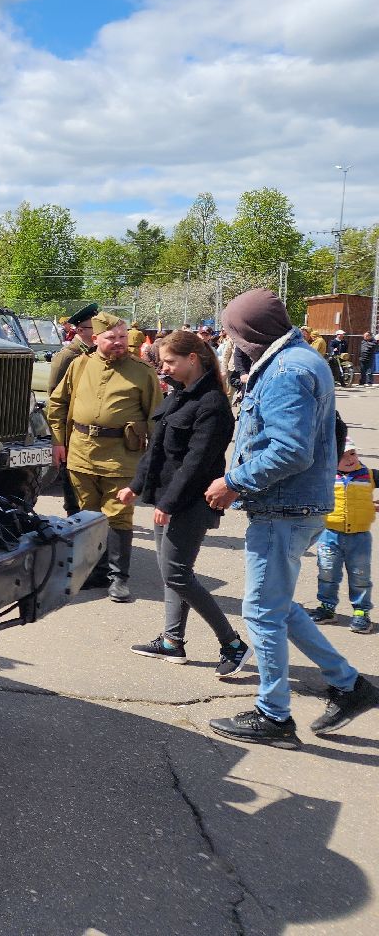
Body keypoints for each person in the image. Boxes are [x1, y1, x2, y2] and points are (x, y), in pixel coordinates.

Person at [204, 288, 379, 747]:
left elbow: (289, 450)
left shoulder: (286, 370)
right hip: (292, 505)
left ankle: (274, 716)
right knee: (278, 607)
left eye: (233, 333)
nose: (230, 343)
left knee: (261, 610)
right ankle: (349, 684)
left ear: (251, 334)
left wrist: (234, 482)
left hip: (285, 506)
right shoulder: (295, 359)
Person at [116, 331, 249, 676]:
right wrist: (136, 486)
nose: (164, 368)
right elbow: (156, 449)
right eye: (162, 362)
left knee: (177, 573)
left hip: (190, 502)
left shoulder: (213, 405)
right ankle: (172, 642)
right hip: (168, 498)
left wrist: (171, 503)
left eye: (171, 361)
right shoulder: (178, 395)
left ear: (193, 359)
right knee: (171, 574)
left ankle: (233, 645)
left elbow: (198, 463)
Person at [47, 311, 163, 601]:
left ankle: (118, 577)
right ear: (96, 338)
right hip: (81, 452)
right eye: (112, 338)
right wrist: (58, 442)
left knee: (119, 516)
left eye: (122, 337)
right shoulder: (79, 365)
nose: (119, 342)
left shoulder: (142, 371)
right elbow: (57, 404)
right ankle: (92, 572)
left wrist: (152, 460)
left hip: (121, 456)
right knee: (87, 515)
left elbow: (157, 418)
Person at [308, 436, 375, 634]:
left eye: (352, 453)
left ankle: (361, 613)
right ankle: (327, 608)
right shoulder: (325, 476)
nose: (349, 458)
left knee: (360, 576)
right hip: (329, 535)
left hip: (360, 538)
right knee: (327, 573)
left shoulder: (369, 475)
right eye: (342, 455)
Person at [49, 303, 99, 518]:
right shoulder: (68, 356)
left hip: (89, 433)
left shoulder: (93, 354)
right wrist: (59, 437)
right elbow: (56, 397)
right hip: (71, 430)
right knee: (73, 488)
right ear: (80, 330)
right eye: (93, 328)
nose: (98, 332)